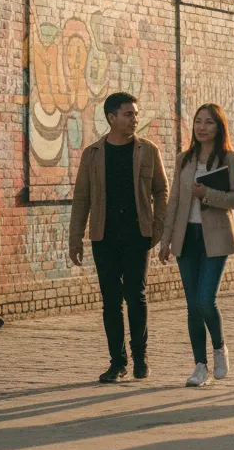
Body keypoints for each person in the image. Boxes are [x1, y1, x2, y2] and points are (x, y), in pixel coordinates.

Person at [69, 92, 169, 383]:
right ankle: (117, 362)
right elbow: (82, 197)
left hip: (138, 235)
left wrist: (158, 227)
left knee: (136, 296)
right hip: (104, 236)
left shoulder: (148, 150)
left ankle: (140, 356)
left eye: (136, 114)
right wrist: (75, 239)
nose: (134, 119)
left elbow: (161, 190)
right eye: (128, 114)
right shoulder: (93, 154)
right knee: (111, 301)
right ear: (111, 118)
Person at [159, 104, 234, 387]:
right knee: (192, 305)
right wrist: (166, 240)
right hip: (186, 236)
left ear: (219, 127)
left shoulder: (229, 158)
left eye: (208, 122)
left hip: (215, 236)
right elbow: (174, 200)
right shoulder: (184, 159)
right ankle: (200, 366)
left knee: (206, 299)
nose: (202, 127)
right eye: (198, 121)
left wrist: (208, 194)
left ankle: (219, 348)